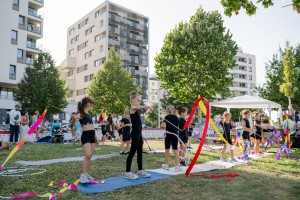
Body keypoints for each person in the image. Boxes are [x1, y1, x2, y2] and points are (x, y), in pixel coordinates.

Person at [124, 91, 153, 179]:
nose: (139, 102)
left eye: (140, 100)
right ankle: (127, 172)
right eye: (137, 100)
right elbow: (135, 107)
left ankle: (140, 170)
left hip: (139, 134)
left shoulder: (137, 109)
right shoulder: (132, 109)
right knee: (132, 152)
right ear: (132, 100)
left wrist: (147, 108)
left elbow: (140, 108)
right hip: (135, 134)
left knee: (140, 152)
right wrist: (147, 106)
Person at [72, 97, 96, 183]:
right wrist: (74, 119)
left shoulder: (89, 114)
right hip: (85, 136)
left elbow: (92, 127)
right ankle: (83, 175)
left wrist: (96, 138)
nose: (92, 105)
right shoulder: (80, 114)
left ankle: (86, 174)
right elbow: (74, 123)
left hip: (92, 135)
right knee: (88, 155)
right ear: (88, 104)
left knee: (90, 156)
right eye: (92, 104)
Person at [161, 105, 181, 172]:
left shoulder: (167, 117)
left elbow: (163, 126)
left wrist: (163, 125)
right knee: (175, 150)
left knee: (167, 149)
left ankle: (166, 165)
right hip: (175, 135)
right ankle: (177, 166)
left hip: (168, 135)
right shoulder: (177, 117)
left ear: (167, 110)